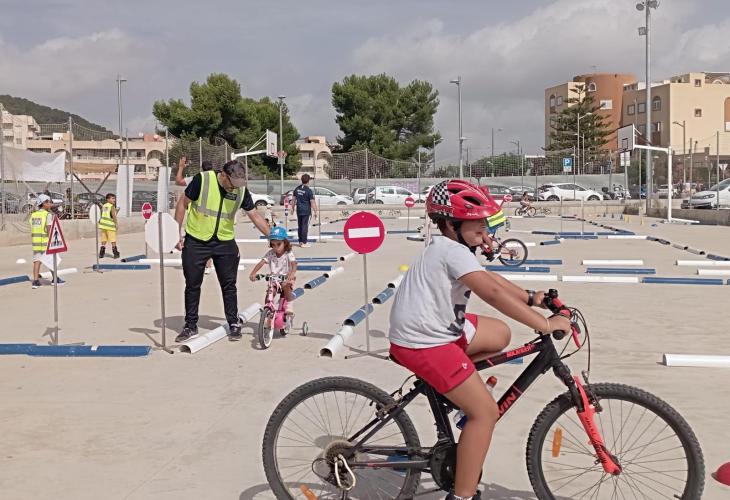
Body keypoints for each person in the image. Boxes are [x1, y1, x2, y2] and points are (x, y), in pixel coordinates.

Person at [387, 179, 571, 500]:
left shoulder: (452, 247)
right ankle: (462, 496)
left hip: (438, 328)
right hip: (424, 342)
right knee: (485, 413)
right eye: (477, 222)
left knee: (500, 333)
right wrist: (544, 324)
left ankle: (458, 395)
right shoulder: (451, 251)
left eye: (485, 222)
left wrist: (532, 298)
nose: (485, 229)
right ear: (451, 224)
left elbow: (491, 279)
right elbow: (493, 293)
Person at [174, 160, 270, 343]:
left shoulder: (240, 189)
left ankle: (233, 322)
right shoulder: (203, 180)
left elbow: (254, 215)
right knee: (192, 285)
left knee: (229, 285)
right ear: (224, 175)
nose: (235, 188)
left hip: (224, 242)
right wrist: (175, 233)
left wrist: (272, 237)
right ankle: (190, 325)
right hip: (197, 240)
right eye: (232, 184)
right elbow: (182, 204)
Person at [248, 225, 297, 323]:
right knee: (270, 293)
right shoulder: (271, 253)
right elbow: (262, 262)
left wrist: (292, 273)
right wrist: (253, 273)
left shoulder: (288, 253)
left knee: (285, 286)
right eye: (273, 244)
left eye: (278, 244)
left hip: (286, 278)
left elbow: (294, 264)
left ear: (285, 243)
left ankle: (289, 304)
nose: (276, 247)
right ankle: (268, 311)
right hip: (274, 279)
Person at [175, 156, 215, 274]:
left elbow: (178, 181)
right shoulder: (217, 179)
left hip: (197, 214)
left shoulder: (196, 178)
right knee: (209, 239)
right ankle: (208, 265)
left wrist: (181, 167)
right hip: (212, 214)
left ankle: (201, 264)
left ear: (202, 169)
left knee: (197, 240)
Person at [29, 194, 65, 288]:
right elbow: (49, 228)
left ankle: (35, 281)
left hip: (36, 243)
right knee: (51, 261)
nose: (50, 203)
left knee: (37, 261)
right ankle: (55, 279)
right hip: (45, 242)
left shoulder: (33, 215)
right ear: (44, 203)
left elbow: (33, 227)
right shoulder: (47, 215)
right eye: (48, 202)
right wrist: (52, 241)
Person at [290, 174, 318, 247]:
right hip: (306, 211)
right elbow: (312, 202)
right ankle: (304, 242)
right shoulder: (308, 191)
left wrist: (292, 208)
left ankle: (300, 241)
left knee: (300, 226)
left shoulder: (297, 189)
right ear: (308, 181)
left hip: (299, 210)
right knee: (305, 226)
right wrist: (315, 211)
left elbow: (293, 200)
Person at [97, 193, 120, 259]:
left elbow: (102, 214)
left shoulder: (104, 206)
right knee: (113, 240)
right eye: (112, 198)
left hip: (103, 226)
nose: (114, 200)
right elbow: (113, 216)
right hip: (110, 226)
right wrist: (116, 224)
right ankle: (115, 253)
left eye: (114, 198)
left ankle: (101, 253)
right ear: (108, 199)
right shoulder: (111, 206)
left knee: (104, 239)